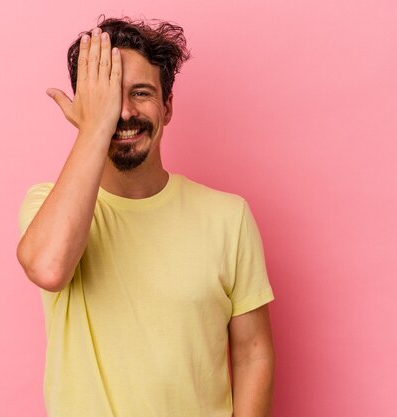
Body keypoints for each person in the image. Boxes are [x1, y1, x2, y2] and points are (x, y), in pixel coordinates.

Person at [17, 16, 275, 417]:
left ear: (167, 106)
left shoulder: (229, 218)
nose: (122, 112)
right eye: (105, 97)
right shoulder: (45, 204)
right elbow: (49, 267)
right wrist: (93, 127)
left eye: (140, 93)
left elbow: (252, 353)